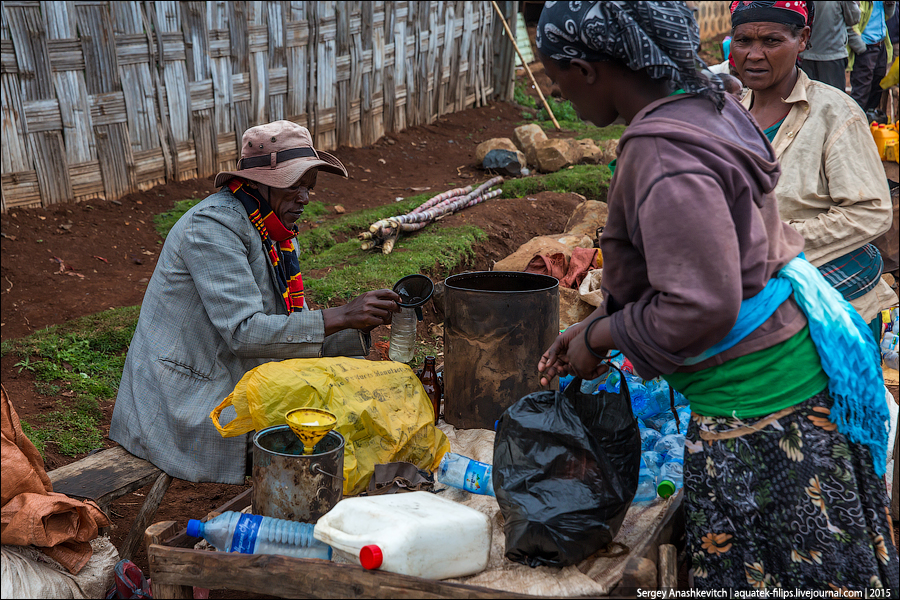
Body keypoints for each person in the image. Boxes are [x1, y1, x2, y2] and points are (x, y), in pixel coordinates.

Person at [534, 1, 898, 591]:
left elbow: (700, 303)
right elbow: (712, 257)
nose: (561, 93)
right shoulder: (710, 105)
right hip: (795, 374)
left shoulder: (663, 151)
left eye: (556, 77)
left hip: (762, 412)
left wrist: (603, 334)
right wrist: (600, 319)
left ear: (587, 68)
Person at [110, 121, 400, 484]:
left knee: (348, 412)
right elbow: (245, 332)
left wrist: (357, 325)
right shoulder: (213, 228)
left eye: (308, 188)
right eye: (294, 186)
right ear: (260, 182)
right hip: (185, 399)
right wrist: (340, 316)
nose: (305, 198)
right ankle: (292, 524)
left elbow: (288, 321)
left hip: (234, 373)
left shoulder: (273, 230)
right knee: (322, 439)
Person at [732, 0, 894, 349]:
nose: (754, 54)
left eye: (771, 41)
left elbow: (871, 211)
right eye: (743, 40)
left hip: (833, 307)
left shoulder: (835, 113)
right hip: (754, 305)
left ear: (803, 39)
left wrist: (773, 246)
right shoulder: (727, 117)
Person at [800, 1, 860, 90]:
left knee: (809, 97)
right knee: (834, 98)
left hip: (807, 53)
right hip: (832, 55)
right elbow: (854, 19)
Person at [849, 1, 897, 111]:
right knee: (861, 92)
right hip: (866, 47)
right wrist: (861, 48)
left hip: (880, 45)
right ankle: (856, 123)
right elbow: (851, 24)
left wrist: (890, 5)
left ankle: (870, 122)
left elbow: (886, 16)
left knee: (877, 89)